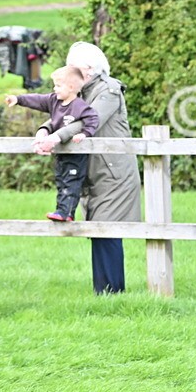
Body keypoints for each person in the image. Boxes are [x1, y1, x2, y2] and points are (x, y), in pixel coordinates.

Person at [41, 42, 142, 294]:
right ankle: (105, 294)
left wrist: (56, 137)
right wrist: (45, 129)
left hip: (113, 174)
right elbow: (62, 114)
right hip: (95, 173)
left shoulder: (109, 90)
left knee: (107, 231)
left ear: (88, 69)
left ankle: (111, 294)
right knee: (99, 233)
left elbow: (86, 120)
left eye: (72, 67)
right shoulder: (82, 91)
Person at [6, 66, 99, 222]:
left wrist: (85, 134)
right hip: (61, 153)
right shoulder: (54, 101)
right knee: (61, 180)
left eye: (58, 85)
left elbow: (93, 119)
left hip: (76, 154)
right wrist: (18, 99)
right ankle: (62, 211)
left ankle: (66, 212)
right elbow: (37, 99)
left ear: (70, 87)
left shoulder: (79, 106)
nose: (54, 89)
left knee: (71, 180)